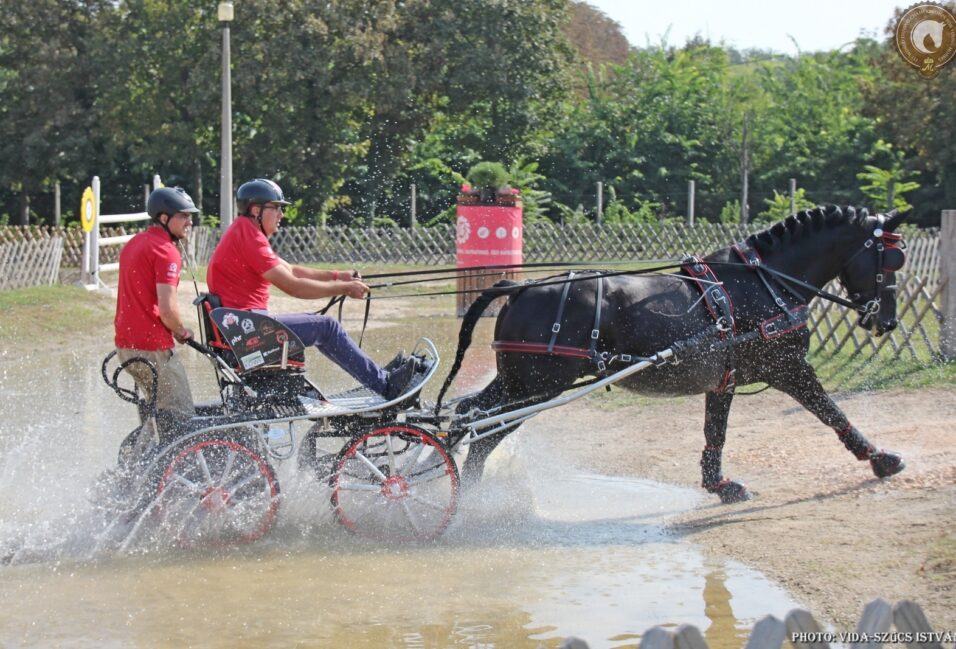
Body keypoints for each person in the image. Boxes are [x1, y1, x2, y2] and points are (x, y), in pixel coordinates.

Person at [206, 178, 416, 400]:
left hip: (243, 330)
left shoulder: (245, 232)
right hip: (249, 334)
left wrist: (338, 276)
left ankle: (380, 376)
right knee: (326, 327)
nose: (281, 214)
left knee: (319, 325)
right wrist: (345, 288)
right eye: (276, 208)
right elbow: (293, 287)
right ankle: (385, 385)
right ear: (256, 210)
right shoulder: (250, 237)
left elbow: (293, 270)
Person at [113, 186, 199, 447]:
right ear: (164, 218)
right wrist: (182, 331)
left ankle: (138, 470)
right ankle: (175, 479)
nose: (189, 221)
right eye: (183, 216)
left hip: (126, 348)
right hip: (153, 347)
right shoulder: (165, 250)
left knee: (154, 417)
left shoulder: (134, 243)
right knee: (181, 417)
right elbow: (167, 309)